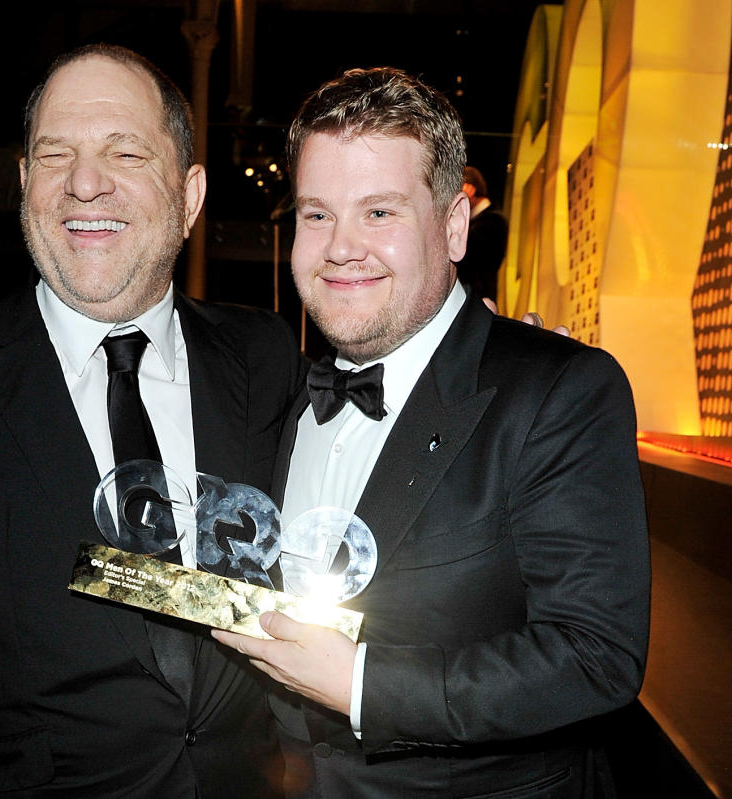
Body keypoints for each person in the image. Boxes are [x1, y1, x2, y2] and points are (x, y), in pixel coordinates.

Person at [0, 44, 303, 798]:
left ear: (190, 195)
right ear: (24, 183)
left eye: (125, 151)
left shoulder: (265, 355)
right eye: (55, 155)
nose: (85, 182)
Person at [212, 67, 650, 798]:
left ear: (453, 227)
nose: (340, 247)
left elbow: (595, 657)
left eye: (379, 213)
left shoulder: (558, 390)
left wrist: (359, 683)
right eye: (317, 215)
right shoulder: (285, 392)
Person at [456, 165, 508, 303]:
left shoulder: (492, 221)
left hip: (478, 301)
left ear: (470, 189)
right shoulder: (478, 221)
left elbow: (466, 257)